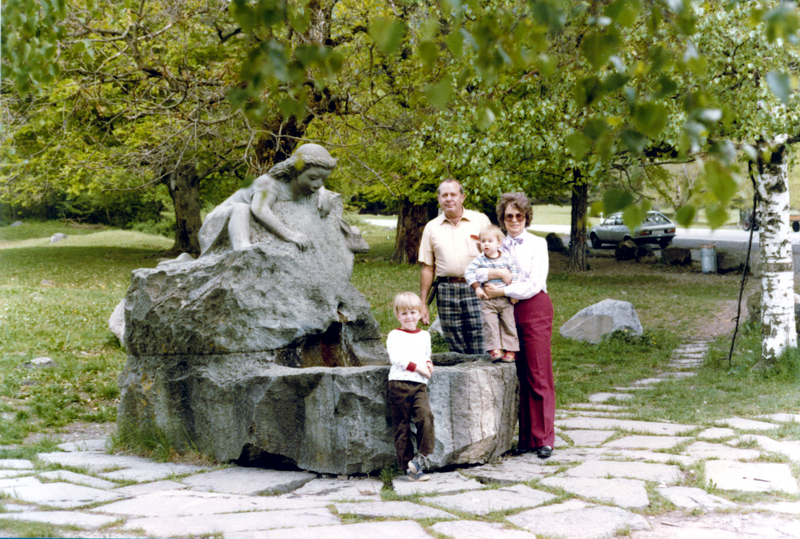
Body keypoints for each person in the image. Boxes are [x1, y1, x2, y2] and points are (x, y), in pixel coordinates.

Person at [482, 192, 555, 459]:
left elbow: (534, 283)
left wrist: (503, 291)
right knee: (519, 374)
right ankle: (525, 437)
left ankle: (544, 437)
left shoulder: (538, 244)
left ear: (526, 218)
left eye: (519, 215)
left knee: (538, 373)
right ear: (502, 219)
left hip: (534, 307)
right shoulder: (498, 245)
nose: (514, 220)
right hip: (507, 311)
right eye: (508, 216)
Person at [199, 143, 338, 255]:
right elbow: (259, 209)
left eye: (323, 180)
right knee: (242, 207)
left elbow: (317, 180)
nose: (318, 184)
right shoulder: (269, 184)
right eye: (313, 179)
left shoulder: (311, 185)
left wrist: (323, 194)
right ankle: (242, 247)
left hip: (244, 224)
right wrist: (289, 236)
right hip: (217, 225)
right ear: (296, 170)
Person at [419, 179, 491, 354]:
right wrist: (422, 303)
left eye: (453, 194)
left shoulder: (480, 221)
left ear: (462, 197)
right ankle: (462, 379)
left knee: (480, 341)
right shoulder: (431, 228)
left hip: (476, 288)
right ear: (439, 199)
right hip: (446, 290)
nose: (449, 199)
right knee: (455, 345)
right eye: (444, 195)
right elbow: (428, 268)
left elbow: (496, 255)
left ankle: (481, 379)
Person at [386, 292, 436, 482]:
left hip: (419, 386)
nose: (409, 317)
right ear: (398, 315)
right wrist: (419, 368)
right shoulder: (395, 335)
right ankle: (408, 467)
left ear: (420, 313)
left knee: (425, 417)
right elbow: (396, 358)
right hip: (398, 384)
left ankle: (421, 458)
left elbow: (426, 355)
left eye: (413, 312)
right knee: (402, 426)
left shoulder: (424, 335)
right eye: (404, 313)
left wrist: (429, 364)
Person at [464, 225, 520, 363]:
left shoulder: (507, 259)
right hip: (488, 300)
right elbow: (468, 272)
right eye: (483, 241)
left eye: (490, 241)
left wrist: (513, 293)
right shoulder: (480, 260)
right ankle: (495, 349)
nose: (486, 244)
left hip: (505, 299)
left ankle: (510, 350)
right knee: (490, 324)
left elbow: (515, 275)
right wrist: (477, 287)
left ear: (499, 243)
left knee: (508, 323)